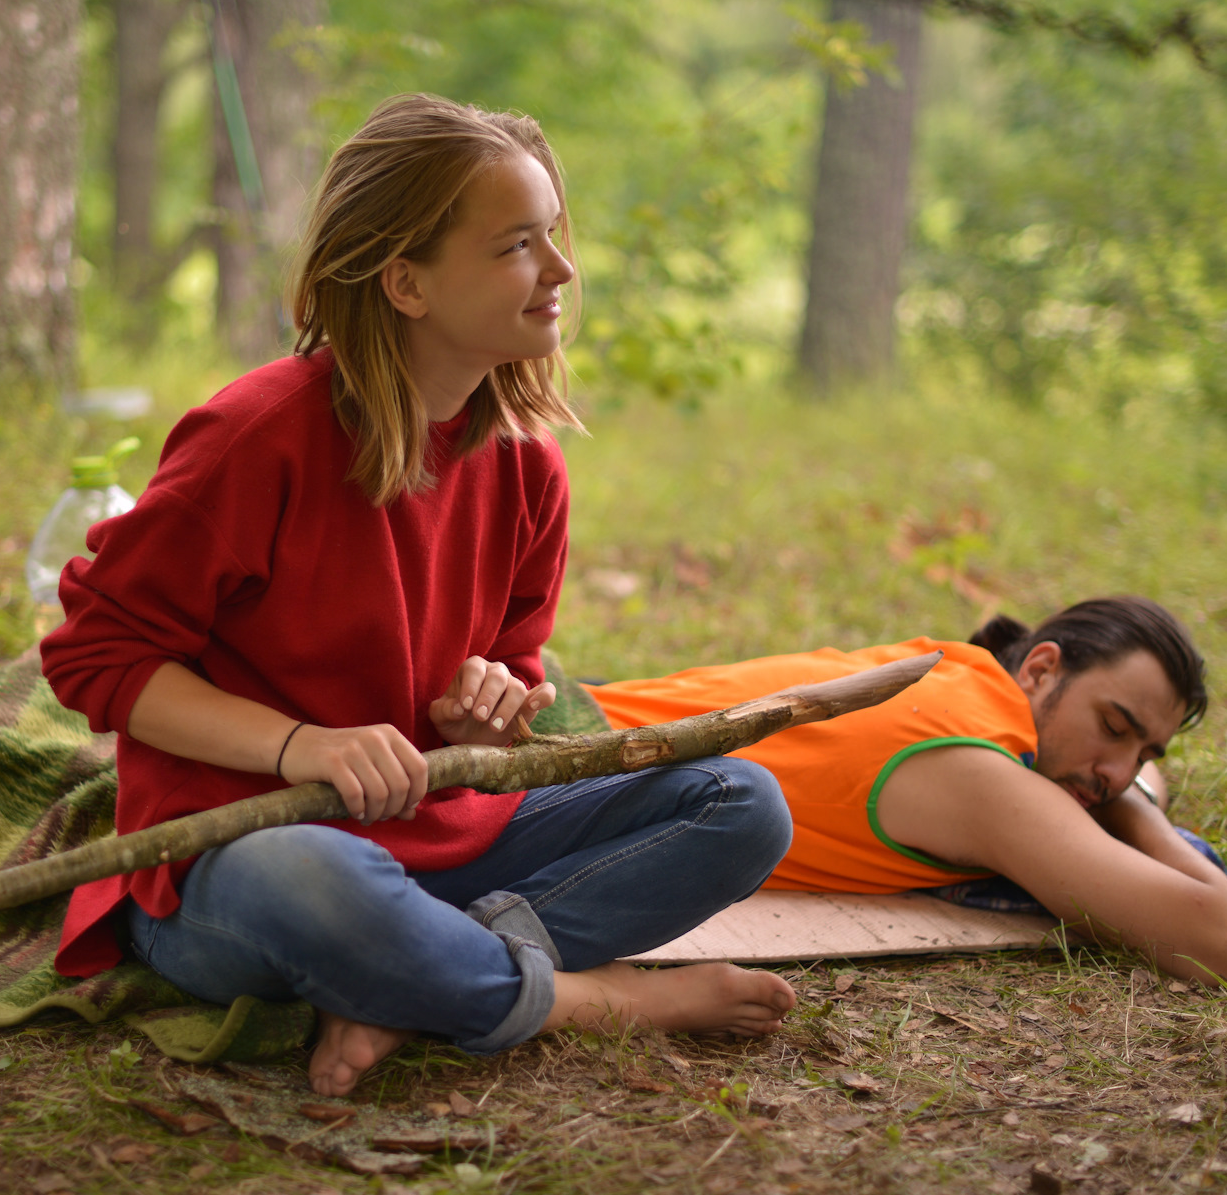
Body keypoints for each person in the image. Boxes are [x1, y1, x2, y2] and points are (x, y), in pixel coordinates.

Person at [40, 94, 797, 1098]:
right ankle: (591, 1001)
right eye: (518, 246)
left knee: (742, 804)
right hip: (247, 865)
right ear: (406, 282)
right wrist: (301, 748)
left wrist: (490, 698)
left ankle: (417, 983)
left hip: (449, 841)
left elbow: (518, 669)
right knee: (319, 878)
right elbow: (96, 661)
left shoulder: (529, 469)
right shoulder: (254, 436)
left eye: (554, 239)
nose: (562, 272)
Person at [586, 597, 1227, 987]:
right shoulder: (983, 773)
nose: (1116, 771)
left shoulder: (961, 675)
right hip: (546, 792)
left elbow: (1140, 775)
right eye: (1113, 727)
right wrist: (1133, 807)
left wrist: (1118, 777)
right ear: (1041, 667)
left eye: (1142, 750)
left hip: (574, 720)